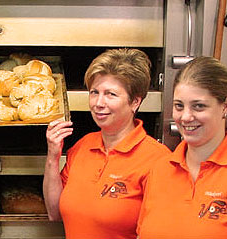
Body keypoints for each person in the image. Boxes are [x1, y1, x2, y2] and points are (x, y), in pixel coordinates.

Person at [137, 56, 227, 239]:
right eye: (179, 106)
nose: (186, 117)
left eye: (198, 106)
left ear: (225, 106)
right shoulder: (159, 169)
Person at [43, 48, 171, 239]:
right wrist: (53, 156)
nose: (98, 103)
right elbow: (55, 213)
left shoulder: (158, 160)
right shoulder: (83, 146)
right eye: (95, 92)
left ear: (135, 101)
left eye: (110, 94)